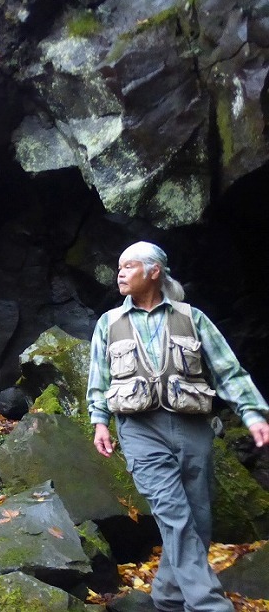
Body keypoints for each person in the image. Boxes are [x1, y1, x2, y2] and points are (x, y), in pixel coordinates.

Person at [87, 241, 269, 612]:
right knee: (173, 512)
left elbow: (227, 370)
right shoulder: (109, 323)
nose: (119, 273)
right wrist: (99, 422)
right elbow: (98, 380)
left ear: (154, 272)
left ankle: (168, 597)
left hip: (192, 428)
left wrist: (252, 413)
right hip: (139, 430)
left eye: (129, 266)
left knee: (198, 518)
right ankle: (208, 603)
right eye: (119, 267)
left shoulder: (192, 318)